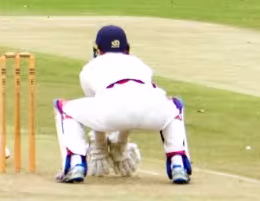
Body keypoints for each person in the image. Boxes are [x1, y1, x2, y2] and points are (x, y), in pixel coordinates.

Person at [54, 24, 190, 185]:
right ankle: (178, 163)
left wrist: (100, 147)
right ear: (127, 48)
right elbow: (135, 104)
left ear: (97, 50)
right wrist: (121, 142)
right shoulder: (140, 64)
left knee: (65, 108)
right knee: (175, 107)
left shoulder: (89, 69)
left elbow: (99, 108)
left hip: (112, 112)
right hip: (153, 111)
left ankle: (74, 164)